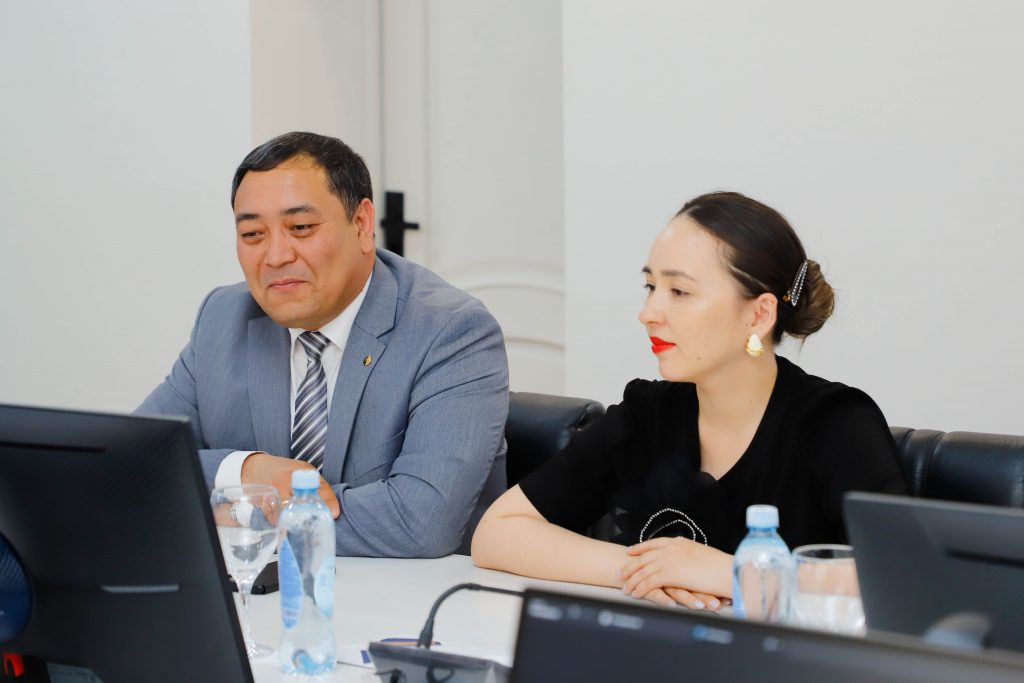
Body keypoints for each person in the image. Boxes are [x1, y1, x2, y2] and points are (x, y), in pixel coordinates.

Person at [472, 191, 906, 609]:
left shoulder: (835, 423)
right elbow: (496, 533)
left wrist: (731, 574)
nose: (648, 313)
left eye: (679, 292)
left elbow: (900, 575)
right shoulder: (647, 413)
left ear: (759, 314)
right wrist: (648, 569)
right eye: (650, 286)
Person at [139, 132, 509, 558]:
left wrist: (240, 510)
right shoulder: (223, 317)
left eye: (300, 228)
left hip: (411, 592)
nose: (276, 256)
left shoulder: (450, 331)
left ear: (362, 224)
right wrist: (246, 470)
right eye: (253, 234)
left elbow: (421, 522)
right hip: (260, 587)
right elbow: (135, 460)